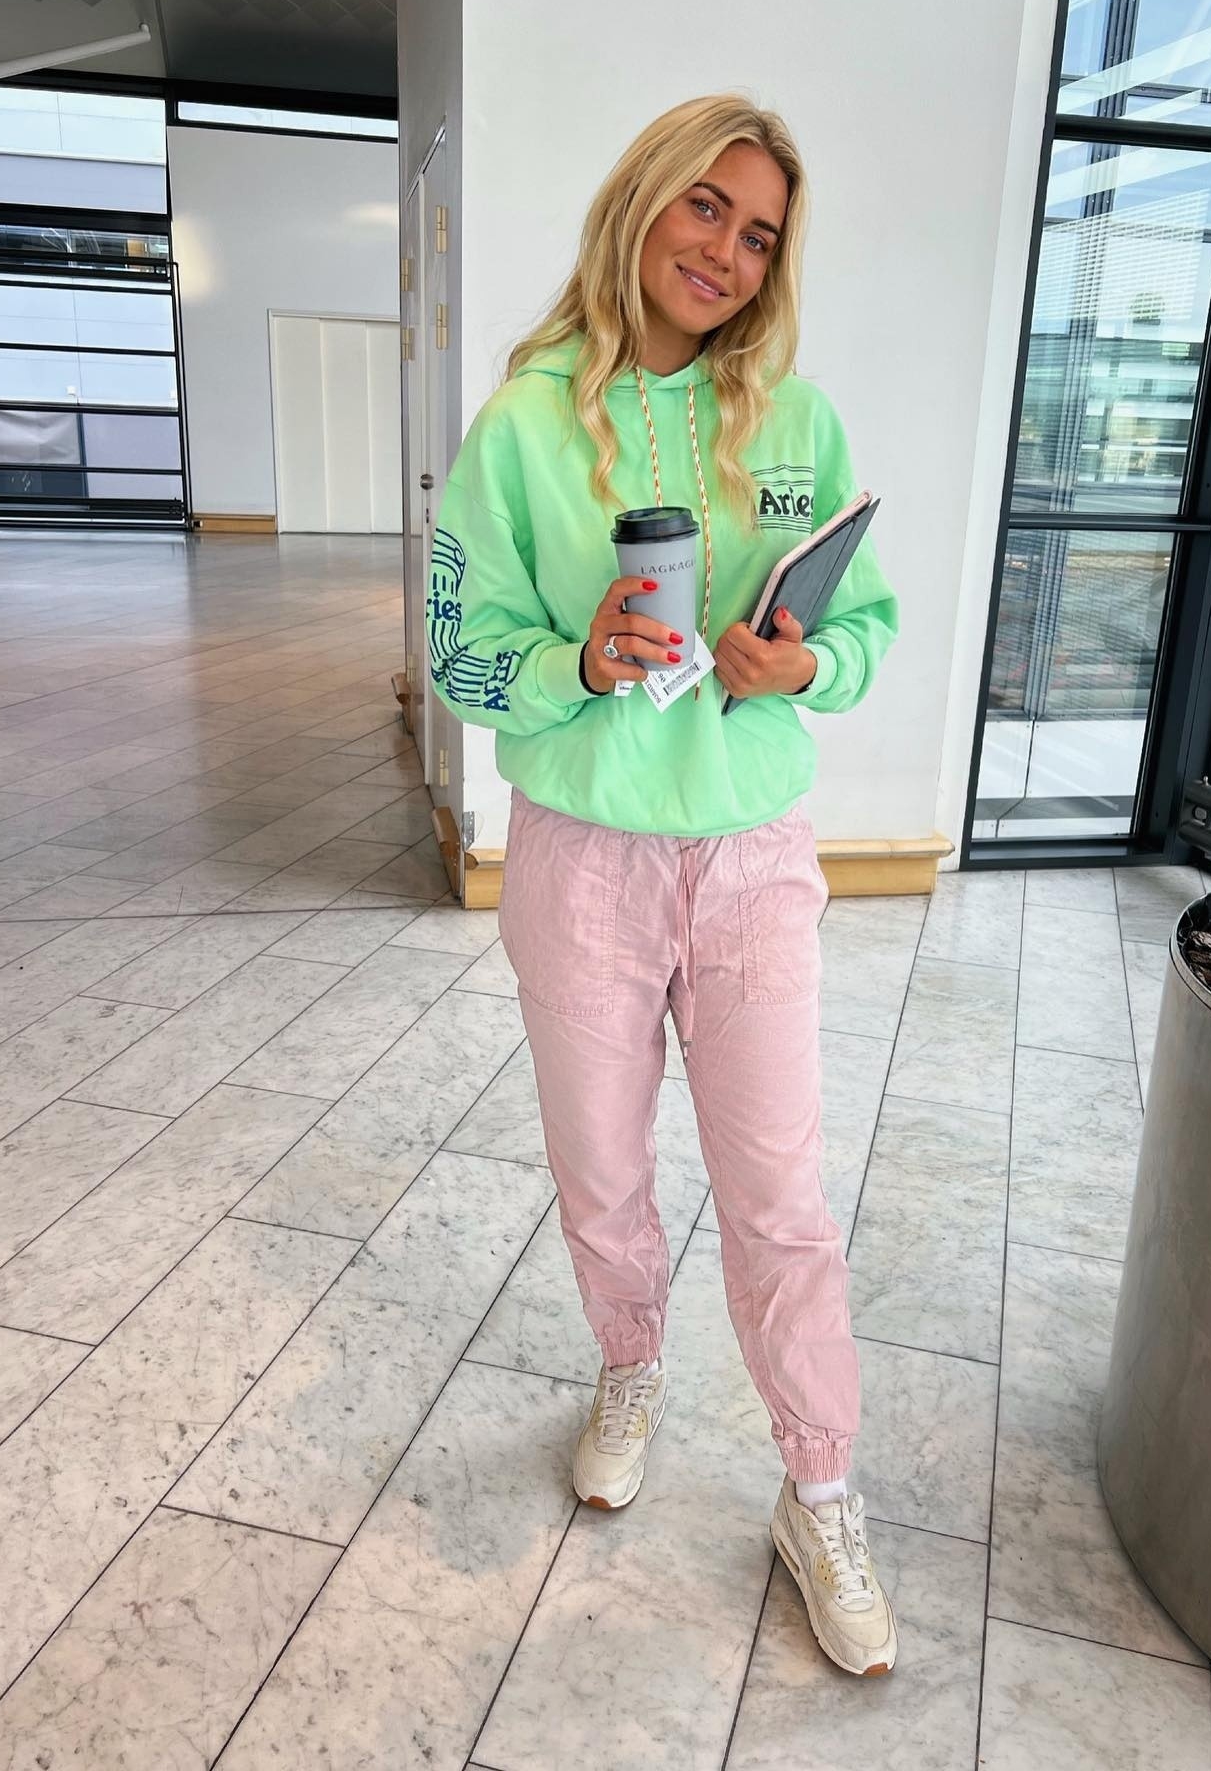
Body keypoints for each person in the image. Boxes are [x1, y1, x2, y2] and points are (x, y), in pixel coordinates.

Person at [428, 93, 899, 1678]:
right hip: (584, 857)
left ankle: (819, 1490)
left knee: (779, 1195)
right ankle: (628, 1367)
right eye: (707, 207)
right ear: (644, 201)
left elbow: (868, 625)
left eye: (759, 234)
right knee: (603, 1171)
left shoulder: (799, 423)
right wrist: (575, 659)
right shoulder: (523, 429)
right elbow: (459, 650)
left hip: (754, 855)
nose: (727, 252)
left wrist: (800, 663)